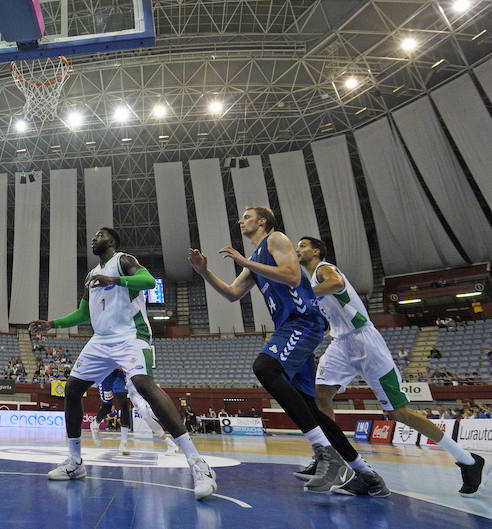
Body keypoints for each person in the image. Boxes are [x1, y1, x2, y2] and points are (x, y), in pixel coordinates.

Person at [30, 228, 216, 499]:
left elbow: (149, 281)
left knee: (142, 384)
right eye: (93, 236)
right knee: (71, 389)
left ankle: (199, 465)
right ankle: (75, 463)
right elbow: (83, 313)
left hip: (131, 334)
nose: (94, 238)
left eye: (100, 235)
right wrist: (51, 324)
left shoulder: (124, 260)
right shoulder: (90, 276)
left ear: (112, 241)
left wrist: (115, 280)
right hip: (101, 340)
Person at [297, 236, 486, 496]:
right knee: (321, 395)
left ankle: (468, 460)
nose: (298, 250)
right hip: (341, 343)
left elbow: (337, 283)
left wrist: (306, 293)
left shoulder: (323, 269)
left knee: (399, 413)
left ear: (316, 251)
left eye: (302, 245)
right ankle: (331, 457)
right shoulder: (309, 281)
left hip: (365, 342)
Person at [189, 207, 359, 494]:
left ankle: (327, 456)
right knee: (310, 405)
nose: (241, 220)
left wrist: (246, 262)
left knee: (264, 368)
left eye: (246, 216)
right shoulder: (254, 260)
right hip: (290, 327)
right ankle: (364, 472)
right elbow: (232, 294)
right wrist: (204, 272)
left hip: (302, 322)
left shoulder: (276, 239)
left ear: (262, 221)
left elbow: (292, 277)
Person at [89, 368, 132, 455]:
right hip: (105, 376)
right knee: (107, 407)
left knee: (124, 403)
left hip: (118, 375)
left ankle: (124, 442)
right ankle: (95, 425)